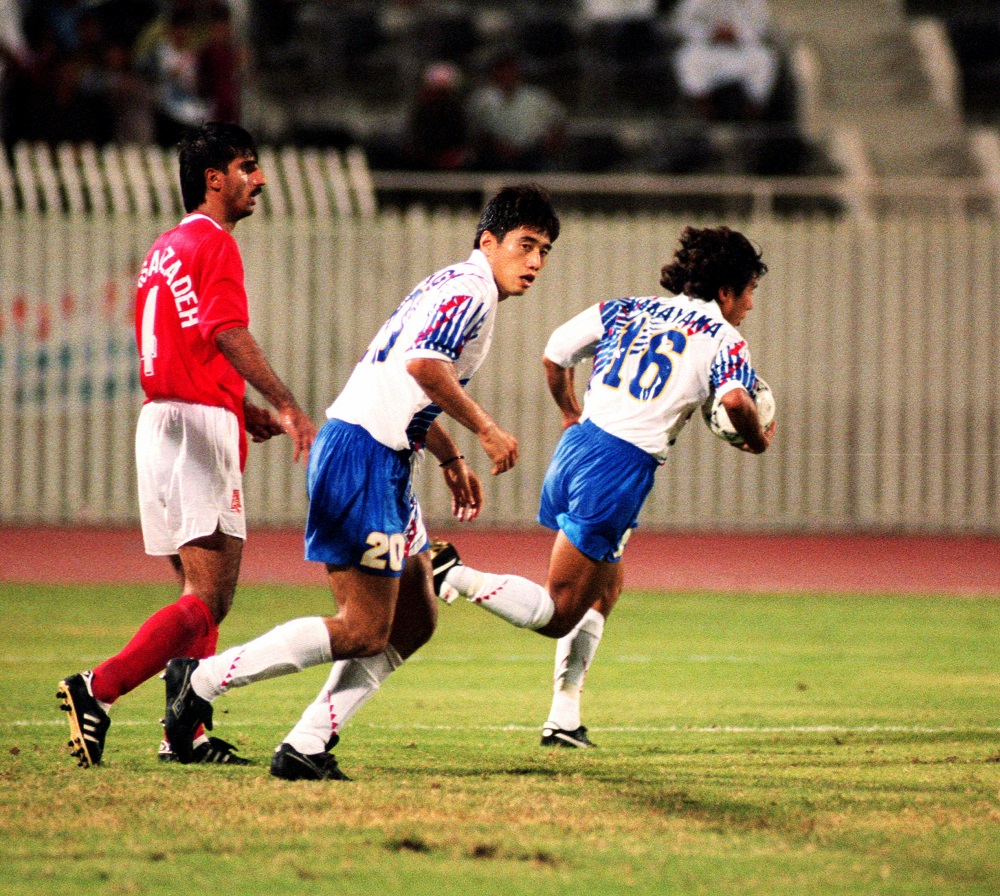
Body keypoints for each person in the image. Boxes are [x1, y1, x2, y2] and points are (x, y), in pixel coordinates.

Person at [162, 185, 561, 779]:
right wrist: (485, 428)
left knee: (415, 619)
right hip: (362, 457)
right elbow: (423, 365)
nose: (535, 261)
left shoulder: (451, 284)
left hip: (385, 460)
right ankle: (201, 679)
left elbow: (404, 381)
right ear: (488, 241)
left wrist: (449, 457)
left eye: (544, 251)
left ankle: (306, 743)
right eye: (525, 245)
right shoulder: (471, 289)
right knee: (363, 628)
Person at [432, 225, 775, 748]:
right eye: (749, 291)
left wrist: (570, 412)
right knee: (558, 613)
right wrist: (757, 440)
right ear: (726, 290)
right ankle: (454, 573)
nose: (750, 304)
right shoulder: (724, 338)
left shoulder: (626, 309)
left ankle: (563, 719)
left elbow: (554, 354)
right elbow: (734, 401)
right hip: (618, 469)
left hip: (578, 447)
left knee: (605, 589)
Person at [57, 122, 317, 768]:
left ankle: (185, 735)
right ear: (214, 179)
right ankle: (98, 688)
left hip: (163, 421)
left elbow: (186, 343)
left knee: (194, 596)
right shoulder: (216, 244)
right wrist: (286, 402)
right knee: (210, 599)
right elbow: (227, 330)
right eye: (248, 167)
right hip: (197, 430)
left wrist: (242, 407)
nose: (260, 179)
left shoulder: (165, 248)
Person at [671, 0, 779, 121]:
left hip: (742, 48)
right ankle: (705, 115)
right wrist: (710, 33)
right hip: (709, 47)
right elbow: (682, 23)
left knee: (764, 58)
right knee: (688, 57)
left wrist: (737, 33)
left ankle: (751, 117)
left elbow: (762, 25)